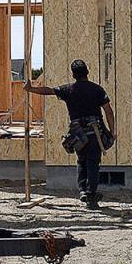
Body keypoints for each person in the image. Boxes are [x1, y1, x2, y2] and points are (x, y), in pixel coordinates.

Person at [25, 59, 115, 208]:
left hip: (78, 134)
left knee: (81, 161)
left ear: (73, 75)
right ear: (87, 72)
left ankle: (83, 192)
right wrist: (112, 132)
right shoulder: (97, 90)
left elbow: (49, 91)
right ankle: (91, 196)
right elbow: (108, 112)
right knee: (93, 163)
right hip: (94, 134)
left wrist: (31, 89)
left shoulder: (68, 89)